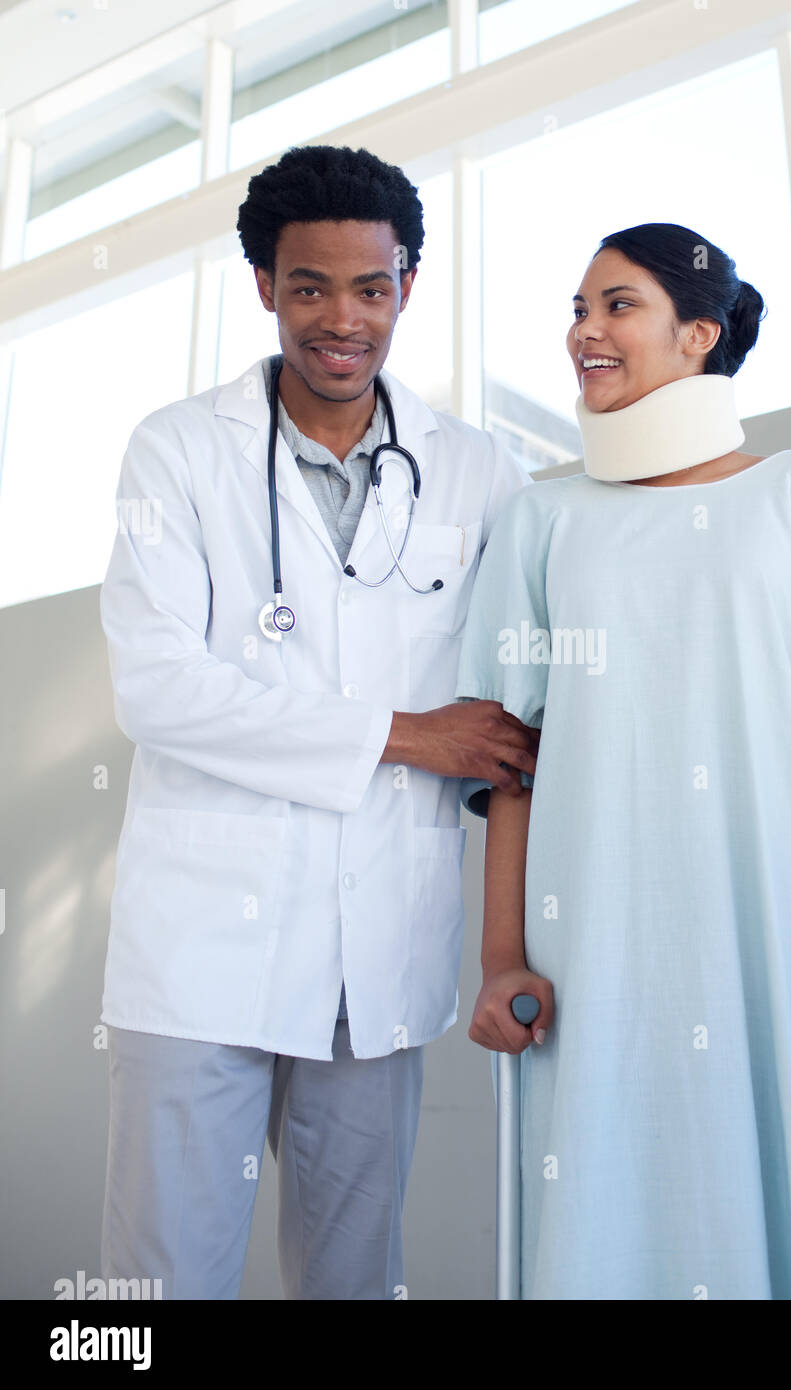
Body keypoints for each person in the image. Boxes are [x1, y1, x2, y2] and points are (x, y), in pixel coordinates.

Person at [97, 144, 539, 1300]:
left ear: (406, 287)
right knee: (160, 1286)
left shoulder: (477, 471)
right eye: (310, 287)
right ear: (264, 286)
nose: (342, 320)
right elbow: (157, 686)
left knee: (353, 1280)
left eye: (370, 288)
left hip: (377, 949)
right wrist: (407, 733)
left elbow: (580, 608)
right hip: (200, 950)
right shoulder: (178, 450)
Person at [457, 222, 791, 1299]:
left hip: (783, 924)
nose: (584, 330)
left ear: (697, 334)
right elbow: (509, 763)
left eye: (616, 305)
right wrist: (499, 961)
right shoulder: (540, 519)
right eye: (577, 310)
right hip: (595, 939)